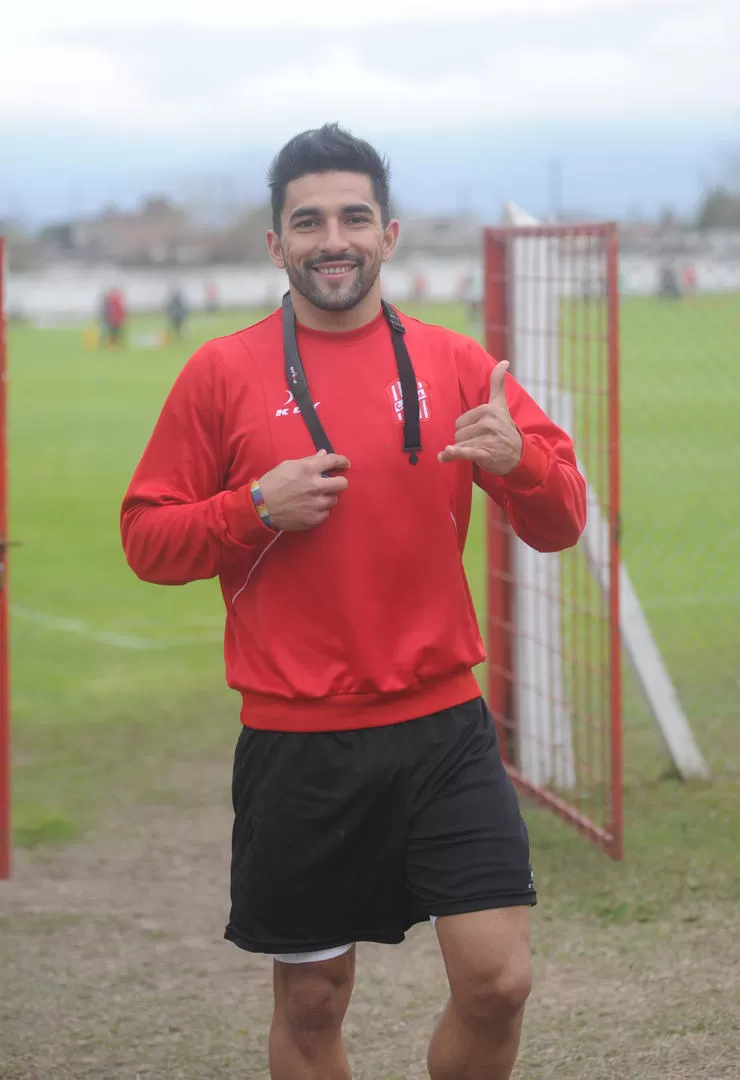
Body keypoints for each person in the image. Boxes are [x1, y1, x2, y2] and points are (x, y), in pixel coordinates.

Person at [120, 123, 586, 1080]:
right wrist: (254, 507)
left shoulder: (460, 365)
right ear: (276, 243)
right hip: (299, 741)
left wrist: (521, 461)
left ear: (390, 234)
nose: (333, 236)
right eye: (309, 220)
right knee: (313, 1008)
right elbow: (146, 541)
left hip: (444, 726)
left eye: (353, 217)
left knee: (498, 984)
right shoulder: (222, 372)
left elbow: (563, 520)